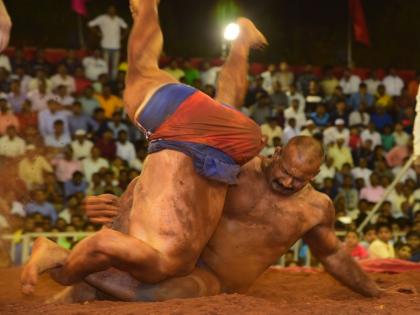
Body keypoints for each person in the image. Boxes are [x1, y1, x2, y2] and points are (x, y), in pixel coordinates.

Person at [21, 0, 266, 295]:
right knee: (142, 68)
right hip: (201, 137)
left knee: (225, 102)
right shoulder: (162, 261)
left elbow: (106, 242)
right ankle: (148, 8)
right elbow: (103, 245)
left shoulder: (162, 253)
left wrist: (68, 268)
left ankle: (241, 39)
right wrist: (65, 262)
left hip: (220, 145)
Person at [28, 137, 382, 303]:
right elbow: (168, 180)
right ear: (275, 154)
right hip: (183, 250)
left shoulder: (316, 209)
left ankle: (70, 268)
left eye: (300, 179)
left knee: (160, 295)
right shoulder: (240, 170)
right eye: (286, 171)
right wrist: (123, 204)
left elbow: (333, 255)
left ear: (316, 174)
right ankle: (73, 273)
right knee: (141, 265)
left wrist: (374, 291)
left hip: (216, 280)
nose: (288, 182)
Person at [88, 5, 128, 79]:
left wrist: (122, 37)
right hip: (105, 46)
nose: (112, 11)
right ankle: (106, 81)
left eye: (113, 9)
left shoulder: (118, 20)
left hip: (116, 46)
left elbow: (126, 27)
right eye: (110, 9)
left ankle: (113, 81)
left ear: (115, 11)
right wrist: (97, 33)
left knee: (115, 66)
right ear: (107, 10)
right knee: (105, 67)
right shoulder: (102, 18)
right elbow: (90, 24)